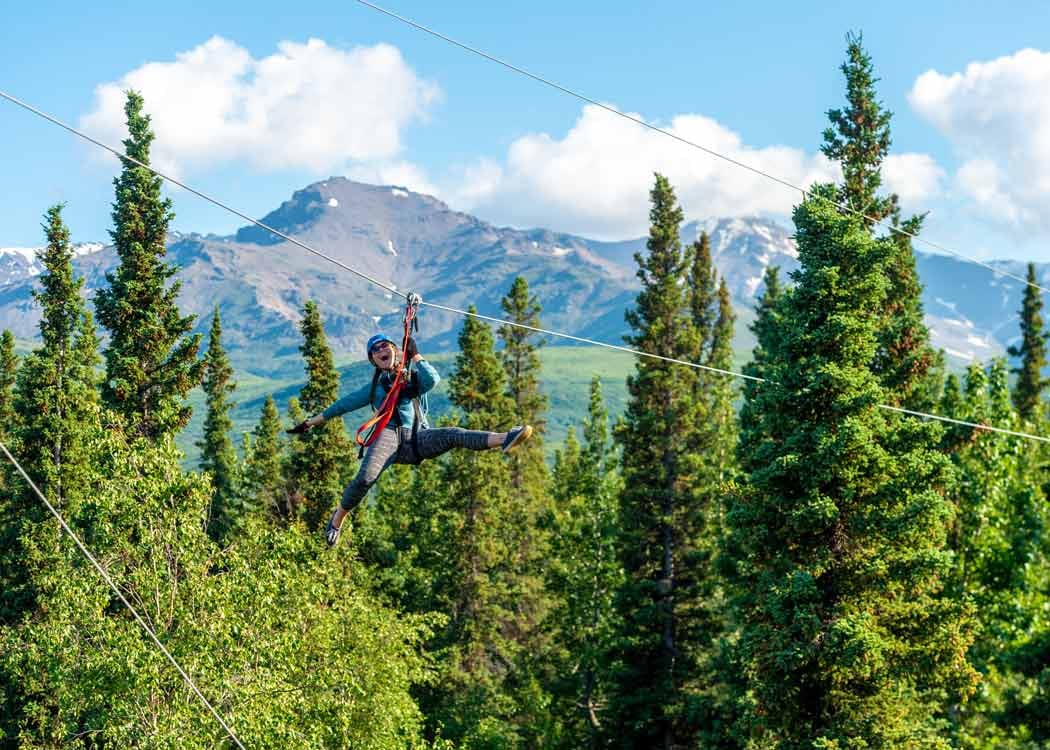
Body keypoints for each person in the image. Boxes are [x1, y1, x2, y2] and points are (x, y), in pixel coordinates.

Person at [289, 331, 533, 547]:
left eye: (385, 345)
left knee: (453, 434)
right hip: (388, 435)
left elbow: (432, 379)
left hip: (416, 438)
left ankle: (505, 438)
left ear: (397, 350)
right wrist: (310, 422)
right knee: (365, 479)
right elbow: (342, 405)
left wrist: (416, 355)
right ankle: (338, 518)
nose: (381, 350)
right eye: (375, 350)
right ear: (373, 360)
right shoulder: (375, 389)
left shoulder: (412, 379)